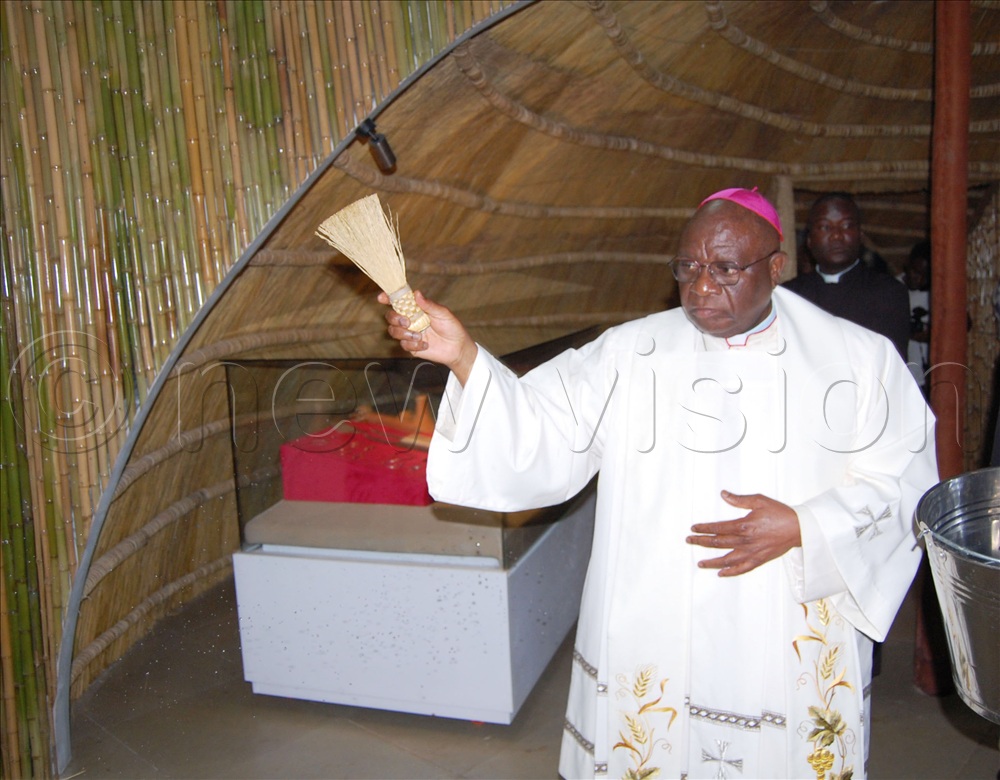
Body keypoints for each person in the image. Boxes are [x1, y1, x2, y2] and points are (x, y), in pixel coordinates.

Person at [380, 188, 938, 780]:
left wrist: (806, 526)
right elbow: (542, 427)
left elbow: (906, 481)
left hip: (780, 621)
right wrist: (465, 357)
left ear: (776, 267)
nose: (701, 288)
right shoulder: (631, 352)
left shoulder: (856, 360)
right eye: (687, 269)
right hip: (659, 619)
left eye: (725, 269)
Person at [784, 193, 910, 360]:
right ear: (810, 240)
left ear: (861, 236)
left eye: (846, 225)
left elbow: (891, 365)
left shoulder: (889, 292)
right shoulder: (789, 296)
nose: (837, 235)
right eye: (825, 227)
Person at [900, 240, 931, 393]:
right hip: (902, 378)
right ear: (908, 264)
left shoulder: (935, 294)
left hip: (927, 377)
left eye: (925, 276)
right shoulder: (893, 289)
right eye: (916, 272)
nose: (919, 280)